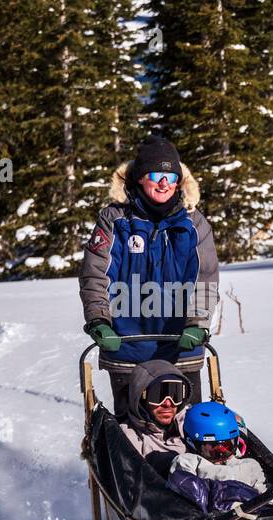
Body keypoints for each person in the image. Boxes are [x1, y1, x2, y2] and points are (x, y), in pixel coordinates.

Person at [78, 135, 219, 421]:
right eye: (156, 174)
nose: (164, 183)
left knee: (190, 431)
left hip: (181, 350)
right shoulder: (114, 220)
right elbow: (95, 275)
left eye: (170, 176)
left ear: (179, 181)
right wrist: (99, 321)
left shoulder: (195, 224)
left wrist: (198, 323)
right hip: (125, 349)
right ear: (140, 178)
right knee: (131, 434)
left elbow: (205, 279)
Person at [117, 360, 193, 477]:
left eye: (175, 395)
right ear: (142, 398)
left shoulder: (192, 422)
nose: (168, 403)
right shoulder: (129, 436)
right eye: (158, 396)